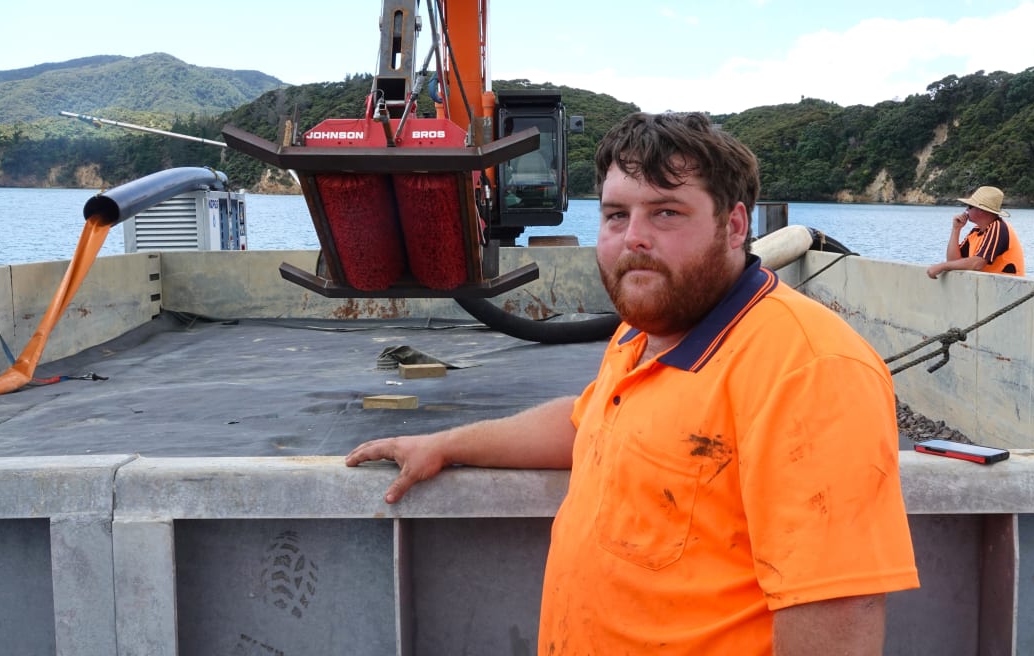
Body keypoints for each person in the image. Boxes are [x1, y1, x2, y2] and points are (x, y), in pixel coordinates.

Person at [346, 111, 920, 655]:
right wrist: (446, 445)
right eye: (616, 215)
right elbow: (588, 425)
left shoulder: (809, 369)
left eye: (666, 213)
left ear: (735, 225)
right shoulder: (642, 331)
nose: (633, 238)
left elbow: (835, 614)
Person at [926, 185, 1025, 278]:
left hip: (1008, 288)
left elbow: (977, 263)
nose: (966, 210)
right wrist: (956, 230)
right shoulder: (976, 231)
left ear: (981, 210)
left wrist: (942, 266)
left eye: (969, 206)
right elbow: (953, 261)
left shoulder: (998, 227)